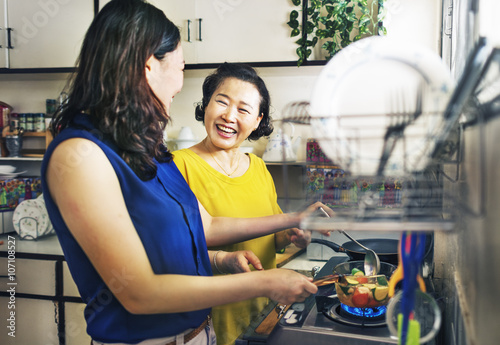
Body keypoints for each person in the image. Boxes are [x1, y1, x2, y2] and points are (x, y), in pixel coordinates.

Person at [41, 1, 327, 344]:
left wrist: (292, 218)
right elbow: (139, 293)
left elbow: (206, 226)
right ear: (149, 66)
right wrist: (267, 282)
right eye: (180, 66)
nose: (181, 82)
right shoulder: (80, 155)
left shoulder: (144, 149)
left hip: (194, 334)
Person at [172, 63, 320, 345]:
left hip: (262, 314)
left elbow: (273, 237)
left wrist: (293, 236)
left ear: (257, 120)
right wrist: (224, 259)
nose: (229, 116)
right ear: (206, 105)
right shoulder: (178, 166)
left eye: (243, 109)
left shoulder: (258, 168)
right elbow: (179, 246)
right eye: (221, 102)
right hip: (207, 322)